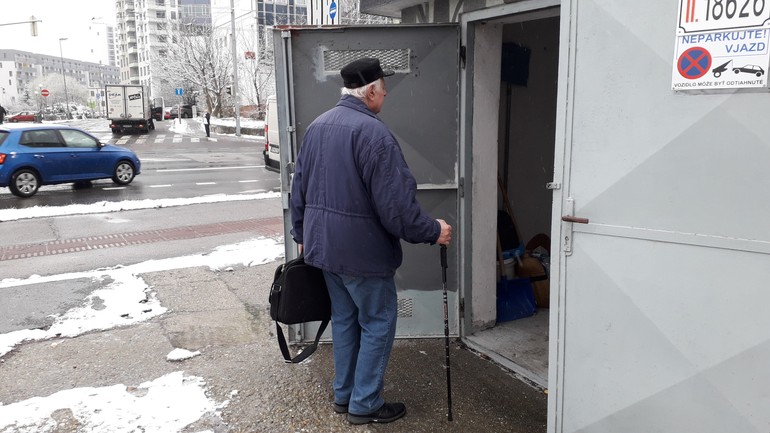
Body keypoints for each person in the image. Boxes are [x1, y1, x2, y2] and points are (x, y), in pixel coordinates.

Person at [289, 58, 453, 425]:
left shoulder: (317, 127)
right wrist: (433, 230)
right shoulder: (374, 135)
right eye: (384, 86)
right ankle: (364, 403)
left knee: (345, 321)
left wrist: (301, 234)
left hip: (324, 251)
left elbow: (298, 189)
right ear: (372, 91)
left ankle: (344, 395)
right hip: (362, 253)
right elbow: (397, 208)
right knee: (378, 322)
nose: (387, 93)